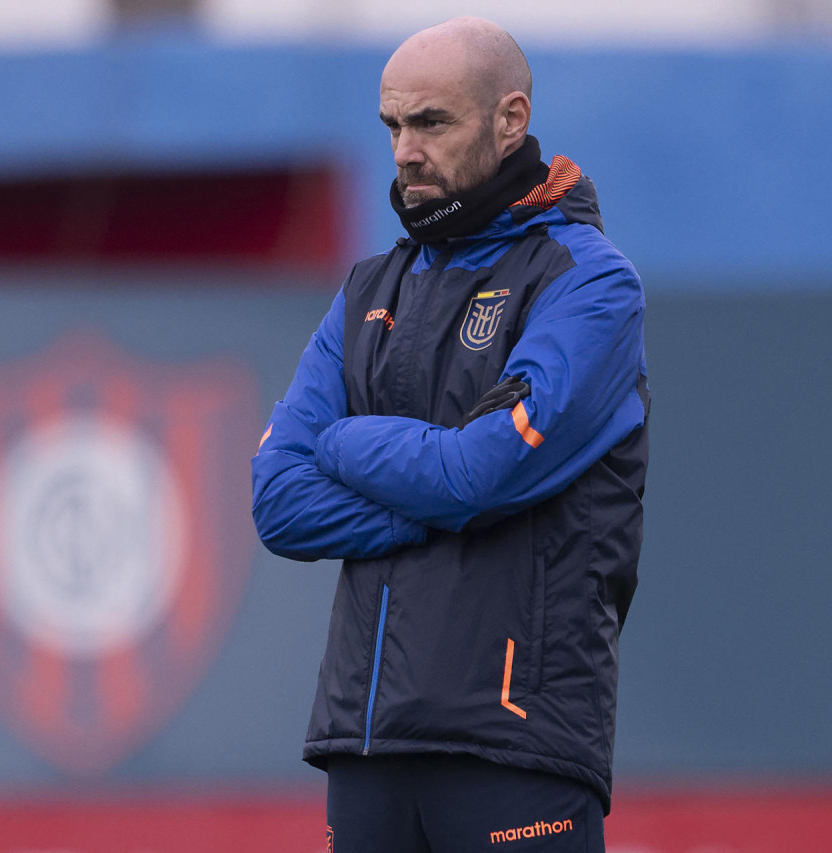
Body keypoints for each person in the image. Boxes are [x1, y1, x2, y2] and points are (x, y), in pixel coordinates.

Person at [250, 17, 649, 853]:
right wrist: (441, 496)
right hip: (367, 739)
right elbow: (280, 501)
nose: (403, 150)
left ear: (510, 119)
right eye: (393, 125)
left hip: (515, 739)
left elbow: (482, 475)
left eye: (431, 122)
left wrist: (346, 443)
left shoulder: (590, 281)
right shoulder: (368, 289)